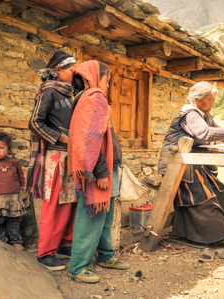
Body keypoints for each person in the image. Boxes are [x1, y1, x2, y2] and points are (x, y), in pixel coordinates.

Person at [158, 81, 224, 249]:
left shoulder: (204, 116)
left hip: (193, 165)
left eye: (213, 100)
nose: (212, 103)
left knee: (220, 191)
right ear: (197, 99)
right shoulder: (189, 113)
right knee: (204, 196)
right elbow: (204, 134)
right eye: (209, 99)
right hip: (176, 166)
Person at [67, 60, 129, 284]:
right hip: (96, 168)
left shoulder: (84, 98)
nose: (109, 86)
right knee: (91, 215)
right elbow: (89, 139)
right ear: (95, 78)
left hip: (101, 166)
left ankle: (105, 255)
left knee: (105, 214)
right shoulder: (95, 97)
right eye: (108, 81)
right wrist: (100, 170)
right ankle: (78, 267)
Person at [27, 51, 77, 271]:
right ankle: (45, 252)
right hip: (55, 157)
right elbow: (35, 123)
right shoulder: (49, 91)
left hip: (70, 157)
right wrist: (60, 136)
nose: (74, 73)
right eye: (71, 70)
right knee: (54, 205)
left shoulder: (70, 93)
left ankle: (66, 245)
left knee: (70, 203)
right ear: (58, 70)